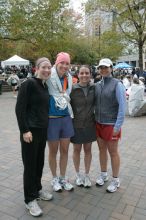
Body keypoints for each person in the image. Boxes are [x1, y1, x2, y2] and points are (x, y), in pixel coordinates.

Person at [15, 57, 53, 217]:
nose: (47, 70)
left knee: (39, 163)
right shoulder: (28, 84)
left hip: (42, 130)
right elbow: (20, 109)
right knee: (30, 166)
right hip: (30, 131)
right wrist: (25, 130)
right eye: (44, 67)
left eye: (49, 67)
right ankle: (29, 199)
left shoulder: (44, 85)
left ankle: (37, 190)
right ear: (36, 68)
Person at [95, 58, 126, 193]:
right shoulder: (97, 85)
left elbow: (122, 108)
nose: (103, 70)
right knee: (102, 150)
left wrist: (117, 126)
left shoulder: (117, 84)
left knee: (113, 152)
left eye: (106, 67)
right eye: (101, 67)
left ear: (111, 68)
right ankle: (103, 174)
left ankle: (115, 179)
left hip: (111, 124)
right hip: (99, 123)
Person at [47, 52, 74, 192]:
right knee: (53, 151)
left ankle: (63, 177)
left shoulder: (69, 77)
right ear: (56, 63)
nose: (64, 66)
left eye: (67, 63)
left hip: (66, 117)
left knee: (65, 150)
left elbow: (69, 95)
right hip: (52, 119)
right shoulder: (48, 75)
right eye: (61, 63)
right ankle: (54, 178)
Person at [70, 66, 96, 188]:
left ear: (90, 74)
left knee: (88, 150)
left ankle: (86, 175)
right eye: (82, 73)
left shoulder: (94, 88)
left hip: (90, 124)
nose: (84, 75)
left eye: (87, 73)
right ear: (78, 74)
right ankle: (78, 175)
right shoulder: (72, 89)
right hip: (76, 124)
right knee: (76, 150)